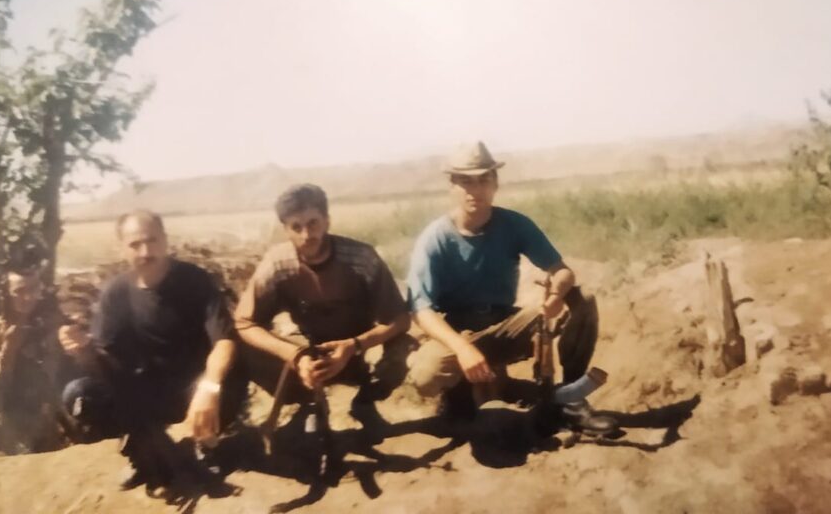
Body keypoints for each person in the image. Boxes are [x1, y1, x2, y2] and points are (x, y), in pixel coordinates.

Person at [405, 141, 617, 434]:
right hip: (455, 331)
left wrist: (556, 295)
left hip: (505, 325)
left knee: (581, 301)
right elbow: (420, 310)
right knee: (425, 376)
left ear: (495, 183)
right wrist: (462, 349)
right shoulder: (435, 239)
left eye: (484, 180)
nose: (475, 190)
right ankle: (459, 393)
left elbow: (562, 271)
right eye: (466, 181)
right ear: (452, 186)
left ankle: (571, 400)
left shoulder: (514, 224)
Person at [57, 210, 246, 490]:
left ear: (165, 240)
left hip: (197, 389)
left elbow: (225, 341)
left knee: (232, 372)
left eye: (152, 241)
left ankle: (207, 443)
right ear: (122, 248)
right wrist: (82, 348)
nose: (146, 252)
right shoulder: (116, 293)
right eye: (135, 244)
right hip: (149, 394)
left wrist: (210, 388)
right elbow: (105, 363)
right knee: (80, 394)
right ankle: (144, 449)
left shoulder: (194, 281)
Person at [234, 184, 412, 434]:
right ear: (285, 230)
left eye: (313, 223)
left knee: (405, 349)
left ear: (327, 221)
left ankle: (366, 400)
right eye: (296, 227)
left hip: (360, 349)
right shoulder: (277, 264)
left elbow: (400, 319)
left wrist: (353, 346)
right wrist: (296, 355)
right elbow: (244, 322)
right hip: (307, 351)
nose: (306, 234)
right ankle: (309, 403)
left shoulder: (362, 258)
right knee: (240, 349)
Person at [0, 247, 66, 454]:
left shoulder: (47, 324)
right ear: (6, 294)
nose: (28, 297)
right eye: (19, 291)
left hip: (42, 417)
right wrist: (8, 352)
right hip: (5, 423)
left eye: (33, 289)